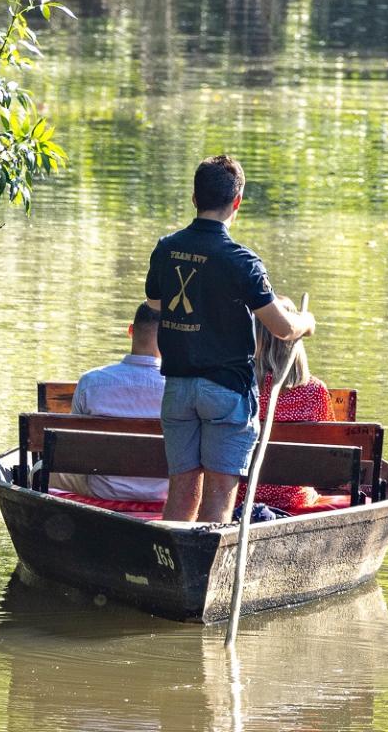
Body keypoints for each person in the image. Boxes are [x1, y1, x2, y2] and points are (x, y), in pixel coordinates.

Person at [145, 155, 315, 523]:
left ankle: (176, 569)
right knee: (220, 494)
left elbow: (155, 302)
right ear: (237, 201)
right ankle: (207, 574)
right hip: (226, 390)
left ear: (194, 198)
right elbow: (282, 328)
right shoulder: (242, 261)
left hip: (177, 387)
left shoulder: (166, 248)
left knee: (182, 489)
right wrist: (307, 322)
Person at [49, 304, 167, 502]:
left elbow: (72, 447)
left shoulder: (91, 382)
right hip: (163, 492)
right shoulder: (177, 387)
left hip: (102, 490)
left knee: (37, 470)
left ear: (131, 331)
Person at [250, 299, 330, 512]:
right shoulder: (315, 391)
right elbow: (329, 455)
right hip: (295, 499)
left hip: (240, 496)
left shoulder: (239, 387)